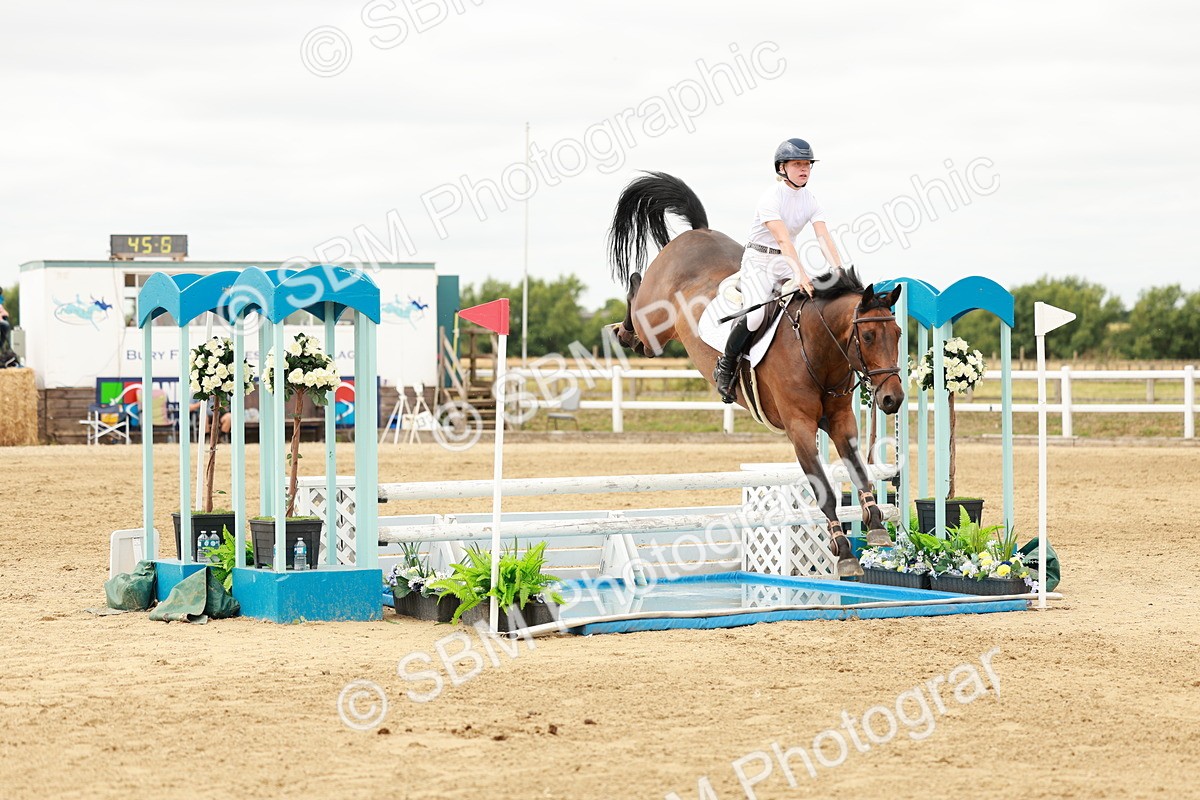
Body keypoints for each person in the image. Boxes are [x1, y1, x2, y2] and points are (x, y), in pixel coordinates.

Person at [713, 137, 848, 403]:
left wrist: (840, 270)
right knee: (756, 316)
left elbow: (823, 237)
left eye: (808, 164)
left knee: (810, 306)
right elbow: (784, 241)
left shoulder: (811, 200)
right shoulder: (770, 198)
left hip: (786, 262)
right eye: (797, 163)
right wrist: (800, 275)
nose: (804, 169)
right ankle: (725, 367)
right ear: (781, 168)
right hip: (759, 262)